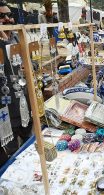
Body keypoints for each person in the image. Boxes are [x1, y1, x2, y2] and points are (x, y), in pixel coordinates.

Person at [0, 1, 32, 167]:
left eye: (9, 15)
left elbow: (29, 64)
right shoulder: (7, 40)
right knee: (11, 155)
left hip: (24, 103)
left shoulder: (16, 36)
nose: (7, 19)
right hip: (5, 111)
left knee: (29, 148)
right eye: (2, 16)